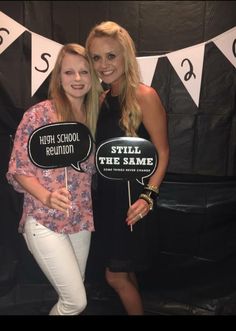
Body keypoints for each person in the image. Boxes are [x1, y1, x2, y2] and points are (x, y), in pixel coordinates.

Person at [6, 43, 101, 315]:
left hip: (80, 220)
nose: (78, 79)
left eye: (84, 72)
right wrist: (47, 196)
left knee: (74, 291)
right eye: (69, 72)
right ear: (58, 77)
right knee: (76, 302)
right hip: (44, 219)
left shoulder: (95, 117)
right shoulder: (39, 114)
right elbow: (18, 169)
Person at [85, 21, 169, 315]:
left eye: (111, 55)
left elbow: (163, 152)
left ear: (126, 56)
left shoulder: (145, 96)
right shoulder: (101, 100)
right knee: (126, 272)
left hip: (135, 202)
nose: (104, 65)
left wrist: (148, 197)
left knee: (115, 275)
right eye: (96, 57)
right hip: (107, 204)